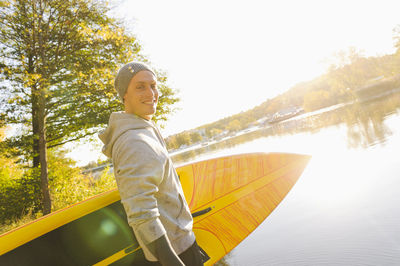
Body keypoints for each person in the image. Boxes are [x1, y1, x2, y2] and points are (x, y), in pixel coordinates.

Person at [99, 62, 206, 266]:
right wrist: (173, 261)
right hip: (174, 254)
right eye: (140, 87)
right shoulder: (134, 141)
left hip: (179, 245)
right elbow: (141, 214)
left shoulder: (143, 129)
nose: (151, 93)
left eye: (153, 85)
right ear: (124, 95)